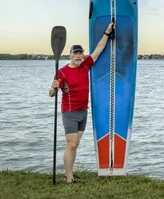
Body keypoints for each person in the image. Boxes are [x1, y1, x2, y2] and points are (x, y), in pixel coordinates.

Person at [49, 21, 115, 183]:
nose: (78, 56)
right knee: (71, 144)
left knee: (75, 143)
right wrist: (54, 87)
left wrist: (107, 33)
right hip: (69, 113)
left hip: (83, 112)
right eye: (75, 53)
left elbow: (99, 49)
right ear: (70, 55)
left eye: (80, 53)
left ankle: (68, 172)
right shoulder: (62, 72)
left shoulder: (85, 66)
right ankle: (69, 178)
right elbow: (51, 94)